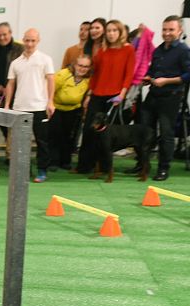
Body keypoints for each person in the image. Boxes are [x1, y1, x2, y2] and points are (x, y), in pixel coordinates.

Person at [75, 20, 134, 174]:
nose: (111, 34)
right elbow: (95, 75)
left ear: (120, 32)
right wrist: (89, 95)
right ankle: (83, 166)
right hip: (97, 95)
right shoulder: (102, 50)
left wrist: (122, 94)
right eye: (108, 31)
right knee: (89, 131)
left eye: (114, 30)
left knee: (107, 136)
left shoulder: (128, 49)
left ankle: (103, 168)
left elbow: (129, 74)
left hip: (115, 97)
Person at [139, 15, 190, 181]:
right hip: (153, 95)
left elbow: (188, 74)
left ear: (180, 30)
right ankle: (142, 166)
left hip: (170, 98)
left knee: (166, 134)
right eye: (164, 29)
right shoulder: (158, 50)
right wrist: (148, 77)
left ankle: (163, 169)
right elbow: (153, 70)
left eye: (171, 30)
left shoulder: (183, 50)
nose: (167, 33)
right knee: (145, 132)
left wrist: (167, 81)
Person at [4, 28, 55, 183]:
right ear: (23, 40)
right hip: (20, 108)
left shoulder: (45, 59)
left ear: (38, 41)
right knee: (20, 143)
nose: (29, 43)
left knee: (42, 142)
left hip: (39, 107)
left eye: (33, 40)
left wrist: (50, 101)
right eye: (27, 40)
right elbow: (10, 84)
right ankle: (23, 171)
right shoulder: (15, 63)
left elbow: (51, 80)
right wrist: (7, 105)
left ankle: (42, 171)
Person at [48, 55, 91, 170]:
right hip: (56, 108)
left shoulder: (88, 80)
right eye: (80, 65)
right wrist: (49, 104)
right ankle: (53, 162)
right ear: (74, 65)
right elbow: (50, 89)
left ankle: (65, 161)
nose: (82, 69)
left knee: (69, 136)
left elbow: (89, 92)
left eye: (86, 66)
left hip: (74, 110)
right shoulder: (63, 74)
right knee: (55, 135)